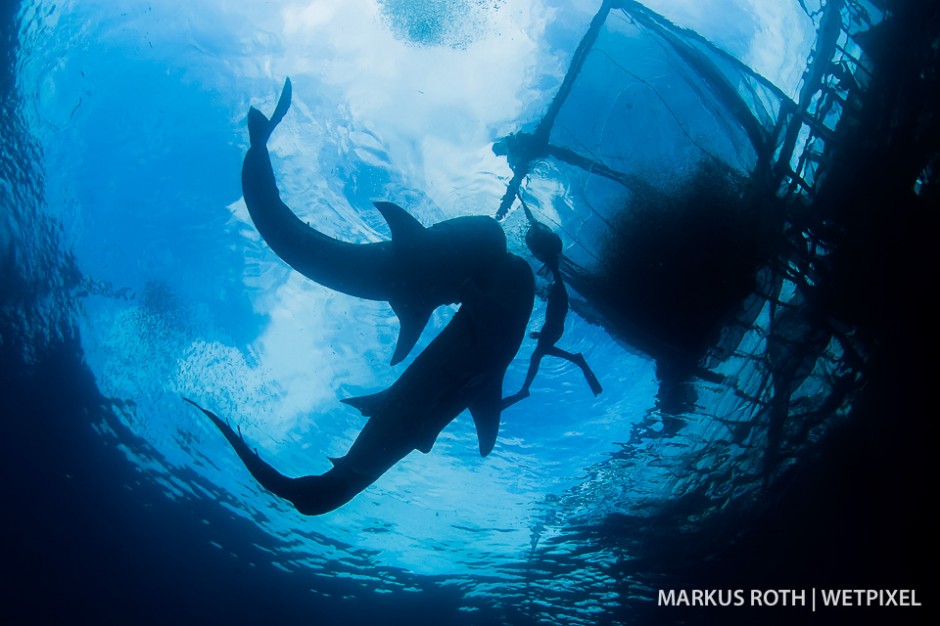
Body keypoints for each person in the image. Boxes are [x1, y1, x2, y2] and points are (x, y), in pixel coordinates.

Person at [503, 220, 602, 409]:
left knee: (538, 355)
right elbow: (556, 316)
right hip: (553, 329)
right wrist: (542, 334)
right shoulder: (559, 293)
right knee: (539, 354)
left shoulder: (559, 292)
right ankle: (576, 360)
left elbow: (557, 309)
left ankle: (525, 389)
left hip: (554, 328)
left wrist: (549, 259)